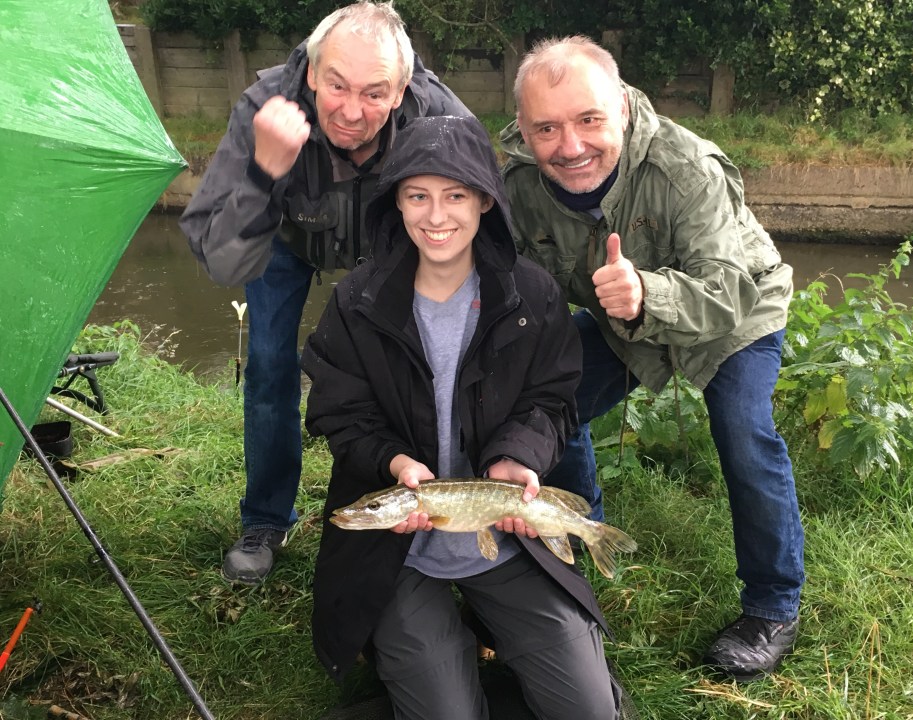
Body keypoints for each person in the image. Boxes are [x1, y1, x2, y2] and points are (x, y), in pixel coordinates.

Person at [499, 36, 804, 682]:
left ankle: (773, 607)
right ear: (523, 131)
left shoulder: (685, 166)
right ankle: (579, 536)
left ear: (623, 111)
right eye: (546, 129)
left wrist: (646, 294)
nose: (571, 146)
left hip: (735, 312)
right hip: (620, 317)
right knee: (548, 403)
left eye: (588, 120)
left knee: (744, 431)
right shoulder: (518, 184)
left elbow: (727, 290)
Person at [300, 114, 622, 719]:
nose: (436, 215)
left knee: (591, 712)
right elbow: (338, 411)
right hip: (399, 550)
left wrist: (516, 458)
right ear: (396, 202)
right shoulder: (355, 300)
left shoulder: (533, 295)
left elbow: (554, 400)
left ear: (484, 203)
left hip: (503, 536)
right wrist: (391, 463)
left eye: (455, 195)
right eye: (417, 195)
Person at [179, 1, 470, 584]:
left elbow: (481, 222)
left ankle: (416, 502)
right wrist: (263, 172)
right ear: (312, 72)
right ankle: (266, 517)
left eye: (373, 93)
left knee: (416, 360)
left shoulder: (438, 117)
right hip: (284, 237)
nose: (352, 111)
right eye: (336, 85)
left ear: (403, 88)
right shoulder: (264, 108)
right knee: (267, 364)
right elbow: (221, 261)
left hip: (390, 242)